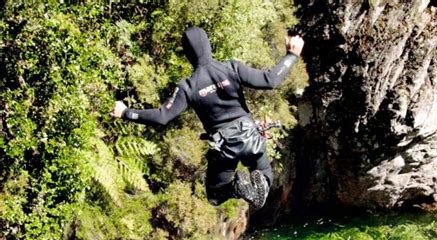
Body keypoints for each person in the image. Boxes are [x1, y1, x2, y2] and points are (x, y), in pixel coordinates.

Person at [111, 27, 304, 209]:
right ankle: (257, 179)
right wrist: (291, 55)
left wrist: (127, 112)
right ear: (208, 46)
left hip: (223, 146)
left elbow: (162, 116)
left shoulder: (188, 86)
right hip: (249, 135)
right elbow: (270, 80)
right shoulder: (231, 68)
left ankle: (236, 188)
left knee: (215, 196)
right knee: (264, 175)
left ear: (188, 54)